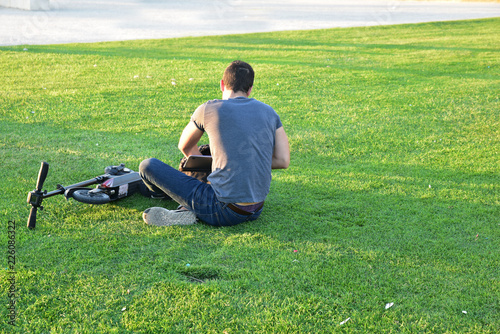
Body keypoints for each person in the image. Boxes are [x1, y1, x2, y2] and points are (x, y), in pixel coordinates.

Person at [139, 60, 290, 226]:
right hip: (256, 208)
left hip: (221, 207)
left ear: (222, 84)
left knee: (148, 165)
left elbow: (185, 146)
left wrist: (205, 166)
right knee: (208, 151)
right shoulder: (270, 112)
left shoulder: (209, 108)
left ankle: (170, 198)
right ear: (250, 88)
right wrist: (237, 162)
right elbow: (283, 161)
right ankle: (188, 207)